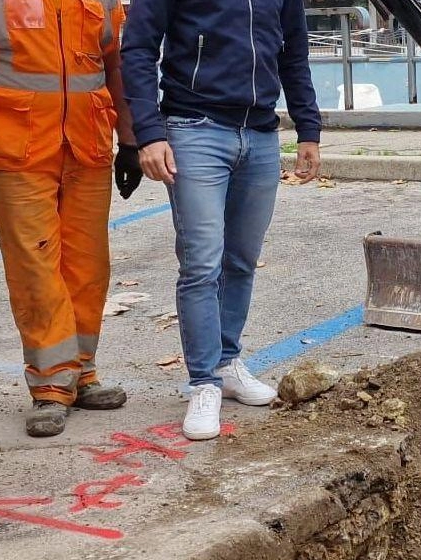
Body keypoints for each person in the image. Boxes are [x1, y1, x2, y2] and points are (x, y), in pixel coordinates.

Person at [0, 0, 144, 438]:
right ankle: (51, 384)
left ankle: (81, 373)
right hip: (17, 146)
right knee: (35, 264)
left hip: (86, 145)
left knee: (89, 265)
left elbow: (114, 63)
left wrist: (129, 139)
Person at [121, 0, 323, 441]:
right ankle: (203, 382)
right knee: (201, 263)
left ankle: (227, 363)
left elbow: (294, 52)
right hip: (195, 128)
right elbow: (137, 49)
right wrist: (149, 134)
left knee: (241, 260)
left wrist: (308, 128)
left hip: (260, 134)